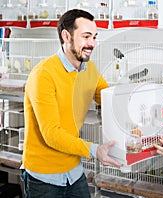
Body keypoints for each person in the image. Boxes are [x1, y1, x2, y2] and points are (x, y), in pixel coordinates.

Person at [21, 9, 122, 198]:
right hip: (43, 178)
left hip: (74, 173)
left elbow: (108, 99)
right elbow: (51, 133)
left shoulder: (89, 70)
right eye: (85, 36)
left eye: (94, 37)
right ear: (66, 36)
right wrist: (94, 150)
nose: (91, 43)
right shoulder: (43, 74)